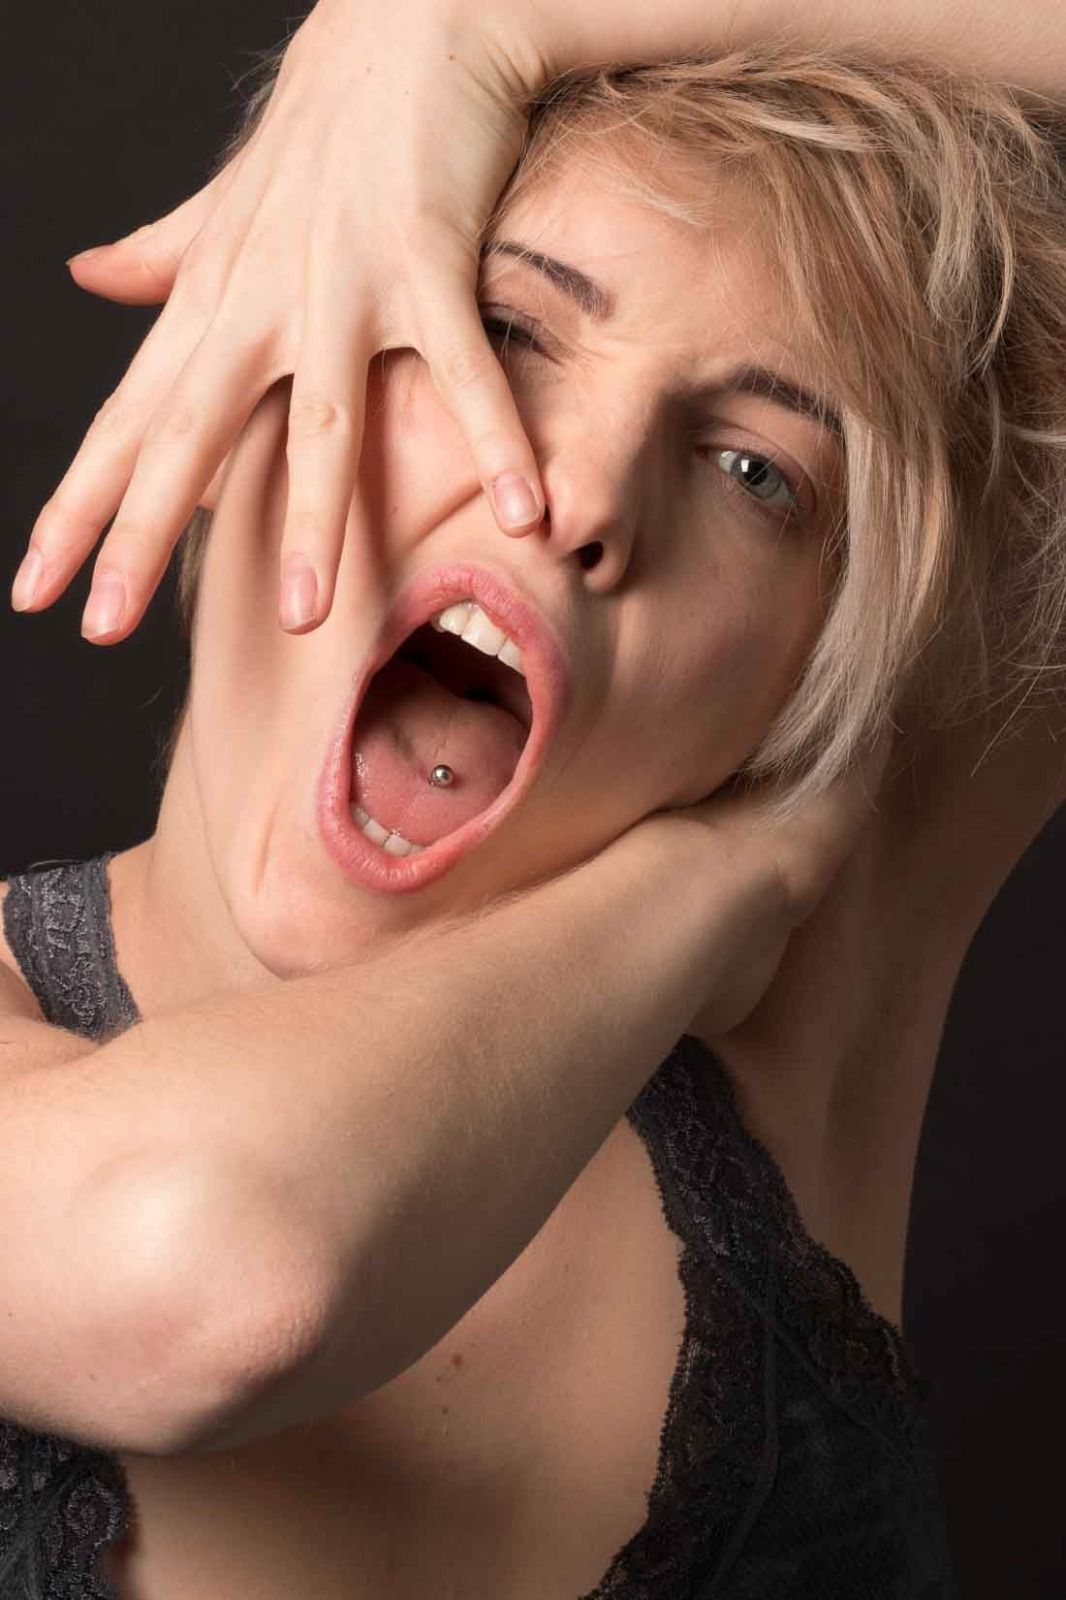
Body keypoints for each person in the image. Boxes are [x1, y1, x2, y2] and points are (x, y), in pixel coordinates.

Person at [2, 14, 1065, 1600]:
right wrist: (712, 886)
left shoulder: (842, 922)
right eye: (504, 331)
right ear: (228, 380)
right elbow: (213, 1272)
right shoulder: (776, 883)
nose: (583, 493)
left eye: (755, 469)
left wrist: (476, 17)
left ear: (798, 662)